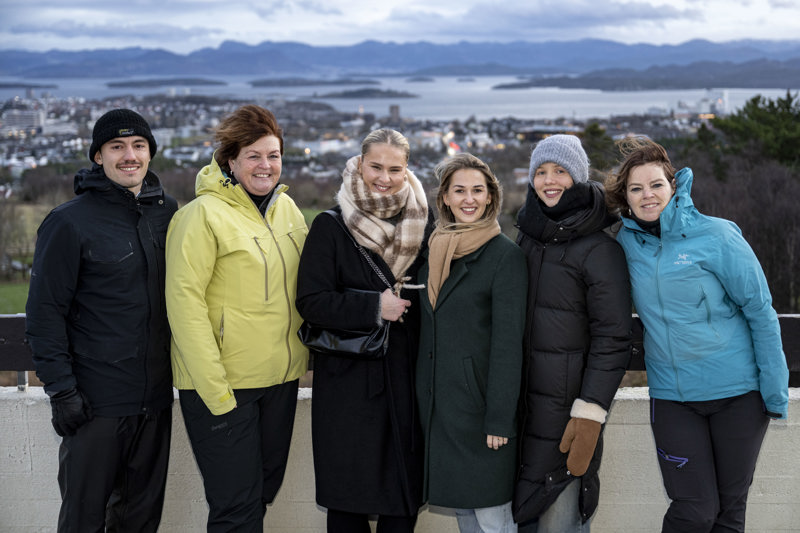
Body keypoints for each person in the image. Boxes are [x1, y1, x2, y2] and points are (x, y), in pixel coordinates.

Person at [604, 137, 789, 533]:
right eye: (636, 188)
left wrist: (774, 390)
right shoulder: (622, 243)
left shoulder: (717, 236)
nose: (647, 195)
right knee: (695, 509)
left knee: (730, 510)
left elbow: (760, 311)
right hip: (674, 398)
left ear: (674, 186)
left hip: (739, 396)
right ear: (626, 197)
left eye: (656, 185)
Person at [25, 108, 177, 532]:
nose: (129, 155)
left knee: (140, 521)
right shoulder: (68, 222)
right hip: (96, 405)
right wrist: (62, 392)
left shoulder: (168, 212)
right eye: (117, 147)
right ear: (98, 156)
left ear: (150, 153)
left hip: (155, 399)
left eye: (139, 146)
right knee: (83, 520)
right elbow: (43, 314)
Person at [165, 104, 309, 532]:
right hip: (225, 387)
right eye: (254, 156)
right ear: (230, 160)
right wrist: (216, 392)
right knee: (235, 508)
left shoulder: (289, 211)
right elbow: (184, 307)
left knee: (261, 494)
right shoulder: (200, 217)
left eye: (274, 155)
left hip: (279, 383)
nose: (266, 166)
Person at [296, 128, 433, 533]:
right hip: (348, 388)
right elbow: (311, 301)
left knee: (401, 504)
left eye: (395, 168)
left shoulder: (425, 224)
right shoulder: (331, 226)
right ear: (359, 164)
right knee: (347, 508)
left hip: (407, 383)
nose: (384, 177)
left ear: (407, 171)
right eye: (376, 166)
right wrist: (375, 306)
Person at [512, 134, 632, 532]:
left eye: (560, 171)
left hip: (568, 416)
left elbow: (614, 338)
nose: (549, 180)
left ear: (577, 177)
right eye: (541, 172)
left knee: (559, 522)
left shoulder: (600, 249)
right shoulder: (527, 236)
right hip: (523, 410)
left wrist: (590, 412)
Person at [416, 153, 527, 533]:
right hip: (440, 408)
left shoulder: (505, 258)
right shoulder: (433, 251)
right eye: (459, 190)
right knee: (465, 510)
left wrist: (499, 418)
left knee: (493, 518)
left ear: (491, 197)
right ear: (444, 197)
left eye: (478, 191)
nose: (469, 199)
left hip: (481, 412)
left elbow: (508, 345)